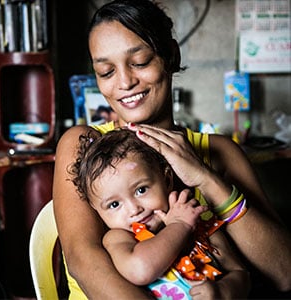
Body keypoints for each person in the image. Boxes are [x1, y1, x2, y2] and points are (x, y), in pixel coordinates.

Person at [53, 0, 291, 299]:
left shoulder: (218, 152)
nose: (125, 82)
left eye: (139, 62)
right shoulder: (85, 146)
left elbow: (283, 274)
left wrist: (205, 178)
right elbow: (83, 261)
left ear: (171, 56)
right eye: (106, 71)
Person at [69, 128, 251, 299]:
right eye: (114, 204)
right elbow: (141, 270)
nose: (134, 210)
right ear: (98, 211)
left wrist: (222, 291)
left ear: (167, 179)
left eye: (141, 190)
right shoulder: (119, 239)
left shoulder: (201, 226)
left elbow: (240, 274)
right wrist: (179, 226)